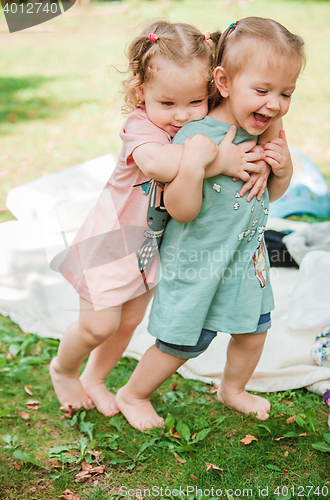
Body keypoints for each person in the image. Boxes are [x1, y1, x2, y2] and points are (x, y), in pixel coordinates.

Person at [49, 20, 266, 415]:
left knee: (127, 322)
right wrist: (217, 159)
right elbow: (160, 164)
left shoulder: (194, 127)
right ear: (141, 91)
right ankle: (63, 369)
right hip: (111, 242)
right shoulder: (139, 127)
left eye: (193, 102)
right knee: (98, 325)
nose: (181, 116)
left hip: (148, 248)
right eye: (167, 103)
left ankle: (95, 379)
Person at [115, 17, 305, 430]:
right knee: (182, 341)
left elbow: (268, 194)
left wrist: (283, 168)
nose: (274, 104)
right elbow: (181, 210)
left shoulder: (264, 130)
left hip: (245, 258)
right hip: (198, 259)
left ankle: (232, 389)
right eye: (262, 90)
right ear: (222, 81)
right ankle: (133, 393)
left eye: (285, 93)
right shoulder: (195, 136)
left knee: (254, 331)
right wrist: (197, 167)